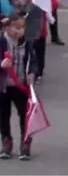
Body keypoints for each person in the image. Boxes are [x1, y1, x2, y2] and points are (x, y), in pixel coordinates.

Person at [0, 14, 37, 160]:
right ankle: (6, 141)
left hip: (21, 85)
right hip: (3, 86)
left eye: (22, 27)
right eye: (16, 27)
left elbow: (34, 61)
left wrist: (33, 73)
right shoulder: (1, 41)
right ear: (7, 27)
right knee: (3, 115)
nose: (19, 31)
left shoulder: (27, 43)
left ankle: (25, 142)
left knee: (24, 115)